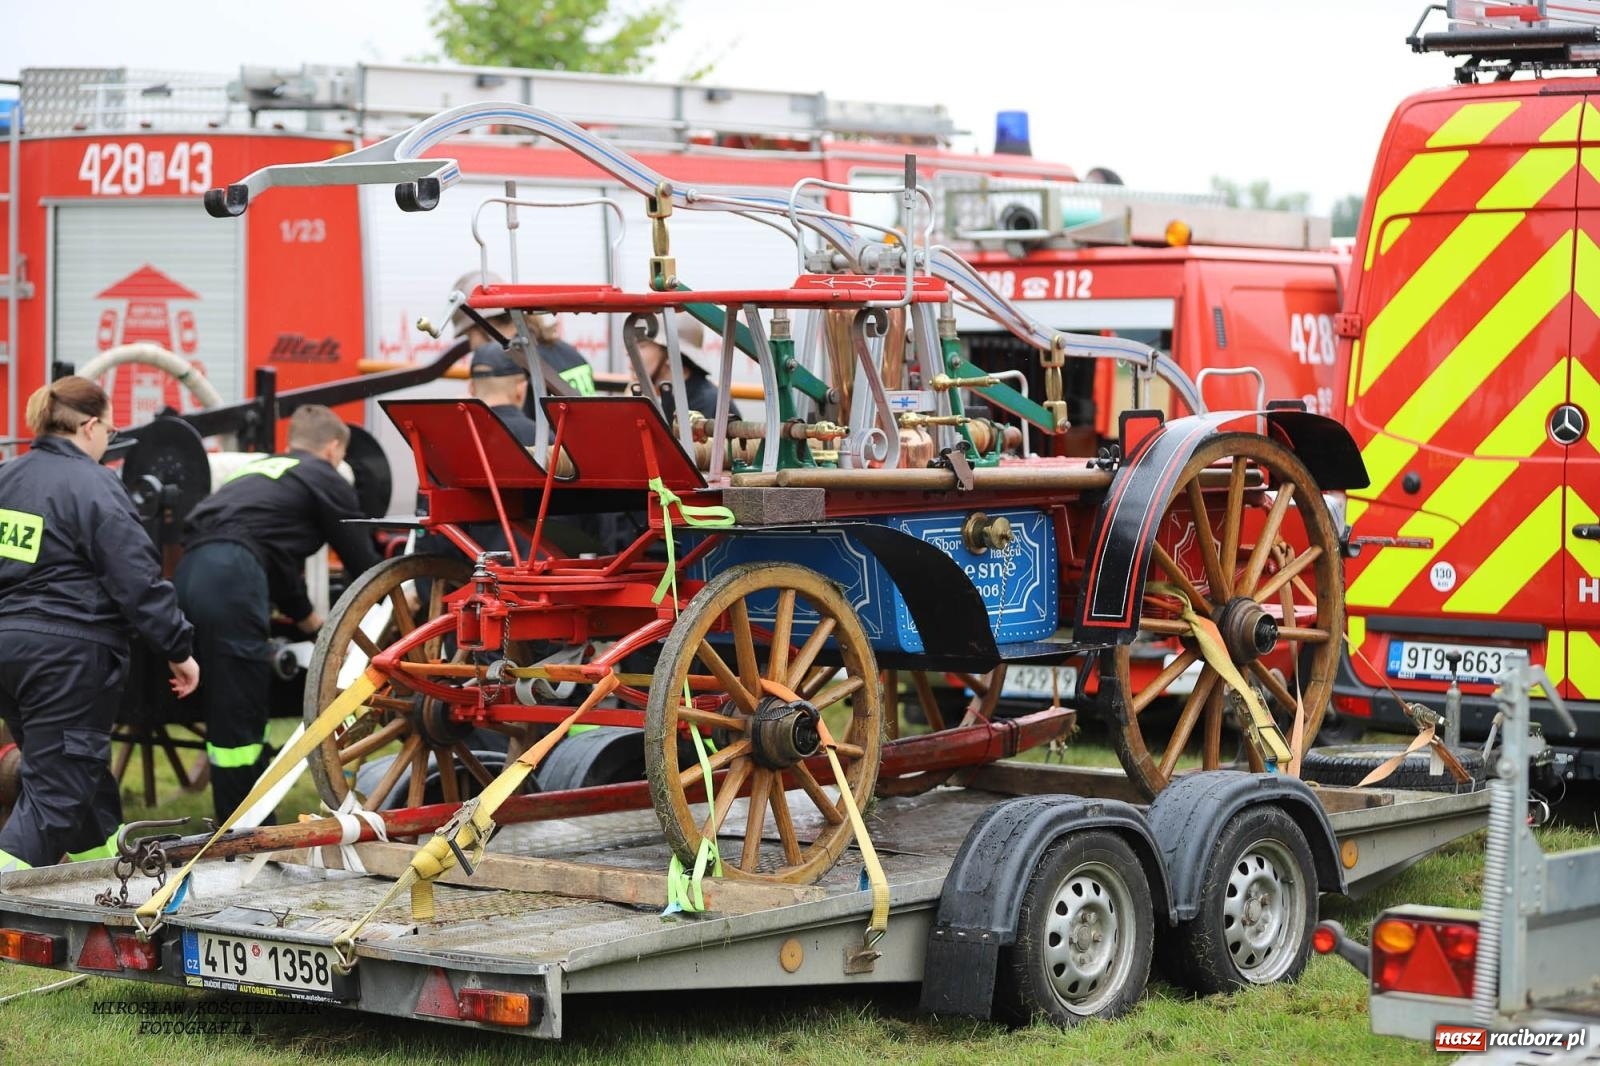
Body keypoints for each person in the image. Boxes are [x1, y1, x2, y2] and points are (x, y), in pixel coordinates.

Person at [0, 377, 199, 870]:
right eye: (109, 431)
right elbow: (136, 577)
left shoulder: (7, 479)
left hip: (10, 651)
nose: (108, 442)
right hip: (67, 657)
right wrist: (178, 649)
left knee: (80, 778)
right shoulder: (93, 484)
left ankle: (102, 881)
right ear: (89, 426)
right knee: (59, 792)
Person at [176, 404, 382, 822]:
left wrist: (311, 624)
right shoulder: (325, 474)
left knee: (226, 699)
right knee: (240, 706)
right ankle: (242, 829)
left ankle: (240, 816)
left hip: (191, 571)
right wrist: (396, 605)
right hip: (235, 574)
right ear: (333, 448)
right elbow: (365, 564)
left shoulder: (260, 472)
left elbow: (277, 564)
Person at [447, 271, 596, 400]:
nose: (471, 347)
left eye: (469, 336)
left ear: (485, 326)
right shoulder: (567, 351)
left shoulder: (514, 369)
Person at [635, 312, 741, 422]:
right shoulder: (672, 397)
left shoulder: (706, 403)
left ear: (670, 354)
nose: (630, 352)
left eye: (642, 346)